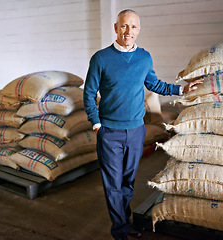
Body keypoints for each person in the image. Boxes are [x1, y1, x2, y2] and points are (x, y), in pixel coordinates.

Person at [83, 9, 203, 240]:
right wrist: (97, 124)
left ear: (139, 29)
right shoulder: (100, 58)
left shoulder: (144, 57)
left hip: (137, 130)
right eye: (124, 26)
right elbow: (89, 94)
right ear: (116, 28)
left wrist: (181, 89)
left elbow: (154, 83)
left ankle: (125, 223)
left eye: (134, 27)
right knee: (113, 185)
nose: (129, 31)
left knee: (128, 182)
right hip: (110, 132)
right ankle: (119, 230)